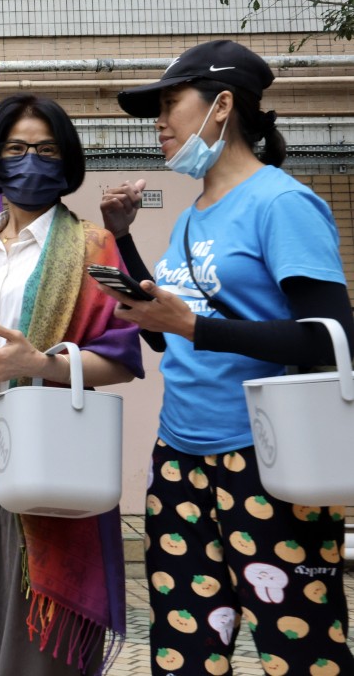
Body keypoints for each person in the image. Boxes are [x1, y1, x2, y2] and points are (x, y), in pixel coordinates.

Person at [100, 40, 354, 676]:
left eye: (169, 103)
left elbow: (330, 338)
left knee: (300, 649)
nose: (159, 122)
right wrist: (125, 244)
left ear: (221, 105)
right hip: (180, 456)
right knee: (184, 650)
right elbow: (168, 335)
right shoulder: (192, 216)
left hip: (269, 460)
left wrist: (195, 325)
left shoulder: (281, 203)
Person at [0, 93, 143, 676]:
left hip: (48, 468)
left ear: (67, 161)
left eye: (47, 150)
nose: (32, 161)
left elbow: (121, 360)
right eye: (18, 148)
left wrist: (41, 366)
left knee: (35, 652)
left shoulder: (92, 247)